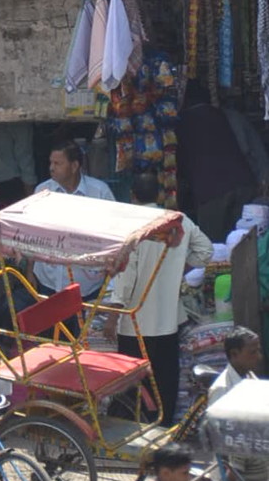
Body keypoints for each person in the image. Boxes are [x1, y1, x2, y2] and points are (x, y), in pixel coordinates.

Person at [106, 170, 213, 424]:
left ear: (133, 197)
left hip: (134, 324)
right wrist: (178, 267)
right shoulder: (179, 221)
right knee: (165, 379)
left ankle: (135, 427)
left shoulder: (133, 228)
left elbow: (125, 280)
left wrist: (111, 318)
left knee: (134, 382)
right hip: (167, 321)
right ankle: (163, 425)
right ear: (160, 195)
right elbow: (206, 251)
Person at [33, 139, 116, 299]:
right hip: (48, 281)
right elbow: (33, 236)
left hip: (87, 284)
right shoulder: (42, 192)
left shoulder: (99, 193)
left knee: (83, 324)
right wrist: (30, 270)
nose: (51, 168)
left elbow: (112, 236)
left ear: (74, 166)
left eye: (58, 163)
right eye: (51, 163)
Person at [208, 325, 263, 402]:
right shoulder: (222, 390)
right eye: (253, 352)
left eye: (258, 351)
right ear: (234, 354)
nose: (259, 357)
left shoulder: (251, 378)